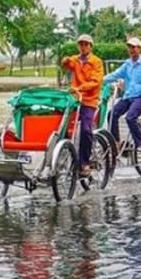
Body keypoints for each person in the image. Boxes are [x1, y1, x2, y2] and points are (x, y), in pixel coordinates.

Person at [60, 34, 104, 177]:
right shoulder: (75, 59)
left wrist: (81, 88)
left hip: (89, 100)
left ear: (91, 46)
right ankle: (64, 155)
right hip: (74, 99)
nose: (83, 47)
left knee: (86, 129)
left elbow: (96, 82)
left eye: (86, 44)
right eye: (81, 44)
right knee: (60, 126)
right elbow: (67, 64)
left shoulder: (96, 62)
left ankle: (85, 163)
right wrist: (65, 60)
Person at [103, 37, 141, 156]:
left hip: (140, 97)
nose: (131, 50)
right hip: (128, 96)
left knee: (130, 117)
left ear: (139, 49)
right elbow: (115, 74)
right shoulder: (127, 64)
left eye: (134, 47)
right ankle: (116, 142)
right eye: (129, 47)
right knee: (112, 114)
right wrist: (99, 81)